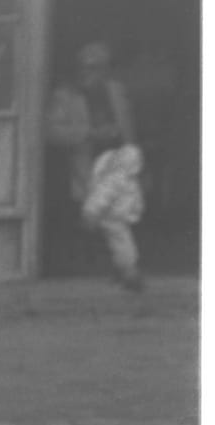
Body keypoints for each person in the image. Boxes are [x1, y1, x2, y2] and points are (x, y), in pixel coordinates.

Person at [48, 42, 143, 291]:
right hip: (88, 164)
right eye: (82, 68)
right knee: (98, 215)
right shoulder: (64, 96)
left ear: (104, 70)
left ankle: (121, 269)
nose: (86, 73)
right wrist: (89, 133)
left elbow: (130, 127)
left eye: (93, 68)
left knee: (114, 216)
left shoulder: (117, 91)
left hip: (118, 163)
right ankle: (116, 270)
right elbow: (52, 132)